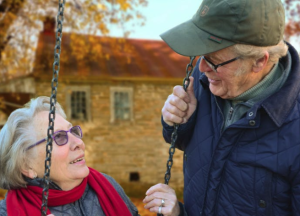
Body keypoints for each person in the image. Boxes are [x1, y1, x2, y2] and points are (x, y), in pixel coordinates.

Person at [143, 0, 300, 215]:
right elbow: (190, 145)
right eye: (201, 55)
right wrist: (177, 123)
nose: (202, 68)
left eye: (214, 60)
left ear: (258, 62)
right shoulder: (205, 81)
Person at [0, 96, 139, 216]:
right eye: (59, 137)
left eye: (73, 131)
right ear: (26, 165)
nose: (79, 142)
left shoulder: (108, 186)